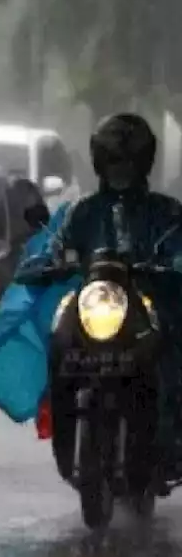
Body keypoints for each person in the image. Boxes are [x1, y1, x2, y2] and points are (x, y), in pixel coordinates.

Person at [16, 112, 182, 477]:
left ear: (144, 162)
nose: (120, 168)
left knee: (172, 343)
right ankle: (57, 419)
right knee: (58, 336)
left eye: (128, 160)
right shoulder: (81, 211)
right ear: (99, 161)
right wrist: (45, 262)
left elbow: (179, 248)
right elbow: (53, 246)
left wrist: (170, 266)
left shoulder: (167, 213)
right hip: (96, 303)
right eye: (113, 160)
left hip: (147, 303)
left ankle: (172, 435)